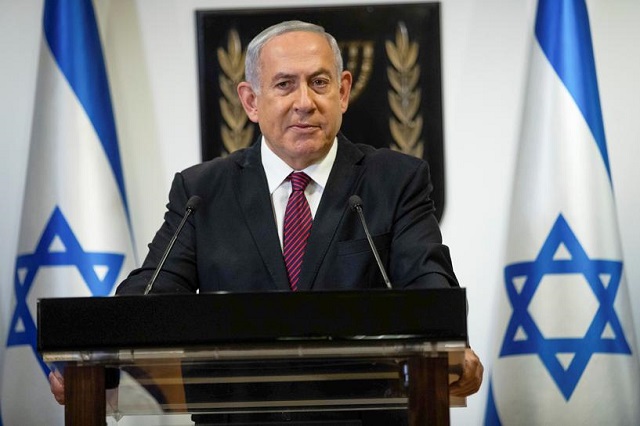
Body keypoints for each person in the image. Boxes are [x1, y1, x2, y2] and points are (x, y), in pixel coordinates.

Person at [50, 20, 482, 424]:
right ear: (251, 101)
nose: (304, 102)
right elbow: (151, 293)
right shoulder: (202, 192)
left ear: (343, 92)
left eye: (319, 83)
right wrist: (94, 359)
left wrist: (451, 348)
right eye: (284, 85)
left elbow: (429, 286)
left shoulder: (395, 180)